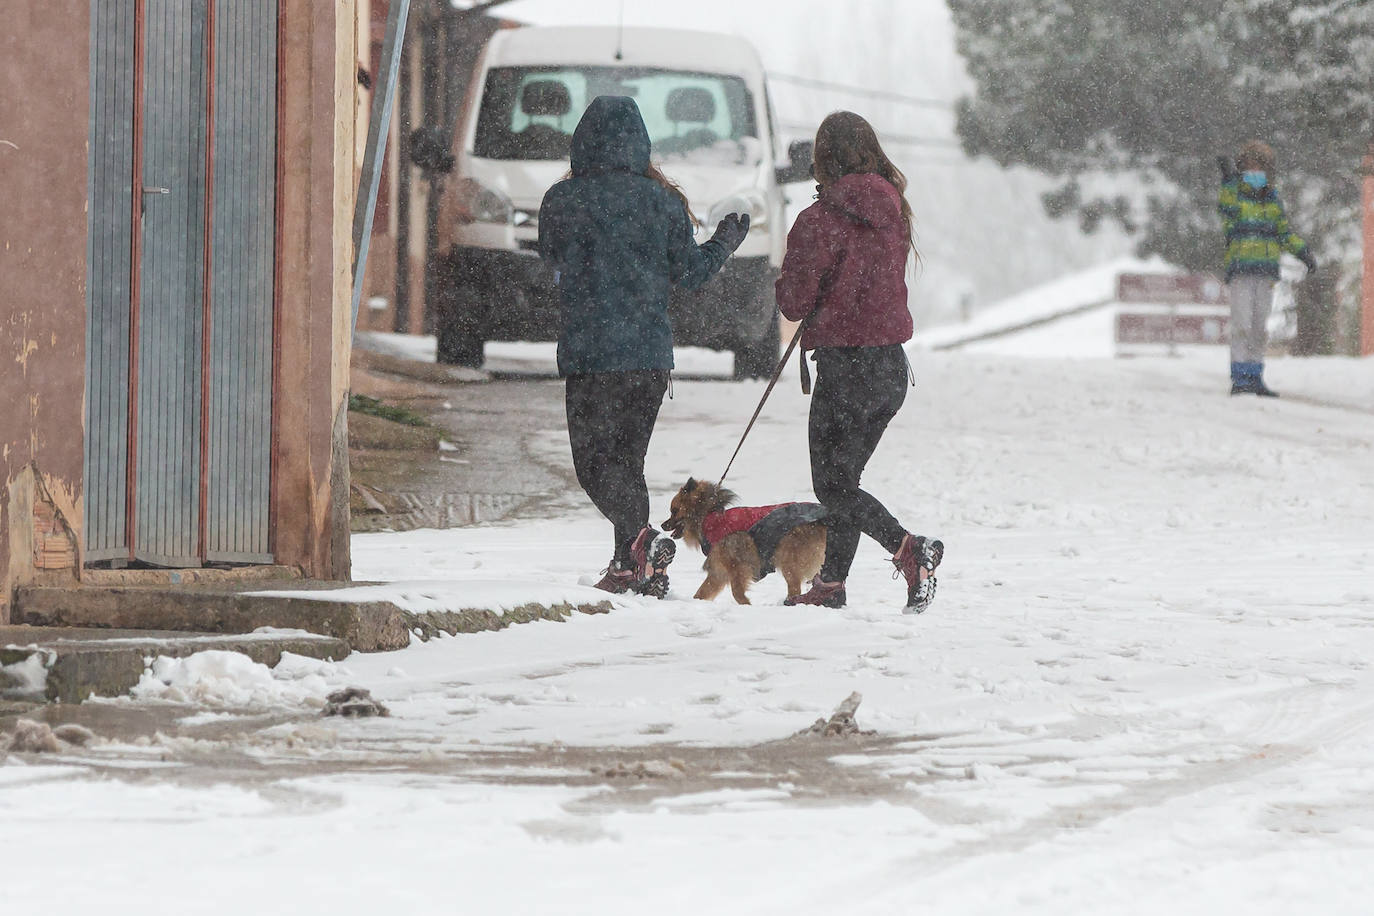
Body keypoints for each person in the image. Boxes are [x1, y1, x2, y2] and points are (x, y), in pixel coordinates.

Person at [538, 96, 750, 594]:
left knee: (594, 465)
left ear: (582, 139)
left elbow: (548, 255)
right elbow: (693, 274)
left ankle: (638, 542)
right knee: (626, 463)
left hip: (591, 354)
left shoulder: (563, 200)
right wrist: (724, 242)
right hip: (647, 358)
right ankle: (633, 566)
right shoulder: (664, 203)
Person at [774, 110, 943, 613]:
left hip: (846, 370)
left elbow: (793, 304)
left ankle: (907, 547)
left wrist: (790, 281)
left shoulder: (818, 220)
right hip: (890, 369)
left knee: (833, 484)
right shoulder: (894, 210)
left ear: (823, 158)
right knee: (844, 482)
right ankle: (830, 585)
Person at [1217, 140, 1317, 397]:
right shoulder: (1235, 196)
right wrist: (1227, 182)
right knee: (1241, 324)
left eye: (1260, 165)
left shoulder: (1272, 201)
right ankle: (1239, 377)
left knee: (1259, 326)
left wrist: (1303, 252)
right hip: (1241, 270)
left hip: (1266, 271)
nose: (1255, 170)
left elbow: (1283, 234)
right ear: (1241, 168)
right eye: (1250, 165)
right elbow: (1226, 209)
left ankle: (1255, 375)